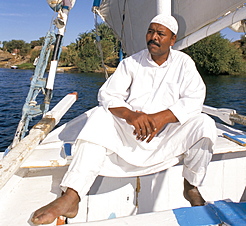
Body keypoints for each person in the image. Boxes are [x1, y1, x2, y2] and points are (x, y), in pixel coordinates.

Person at [31, 14, 217, 225]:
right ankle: (72, 196)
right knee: (100, 115)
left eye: (160, 33)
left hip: (166, 136)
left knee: (204, 124)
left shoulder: (184, 63)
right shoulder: (131, 63)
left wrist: (161, 118)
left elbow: (195, 99)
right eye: (150, 31)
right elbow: (107, 95)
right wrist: (131, 115)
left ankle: (191, 187)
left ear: (172, 40)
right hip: (132, 133)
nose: (153, 37)